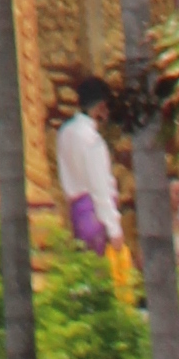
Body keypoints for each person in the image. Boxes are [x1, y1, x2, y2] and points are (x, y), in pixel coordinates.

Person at [55, 73, 135, 291]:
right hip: (95, 215)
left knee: (85, 277)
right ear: (100, 107)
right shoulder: (92, 141)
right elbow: (100, 189)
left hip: (77, 211)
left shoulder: (65, 133)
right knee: (103, 282)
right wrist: (114, 229)